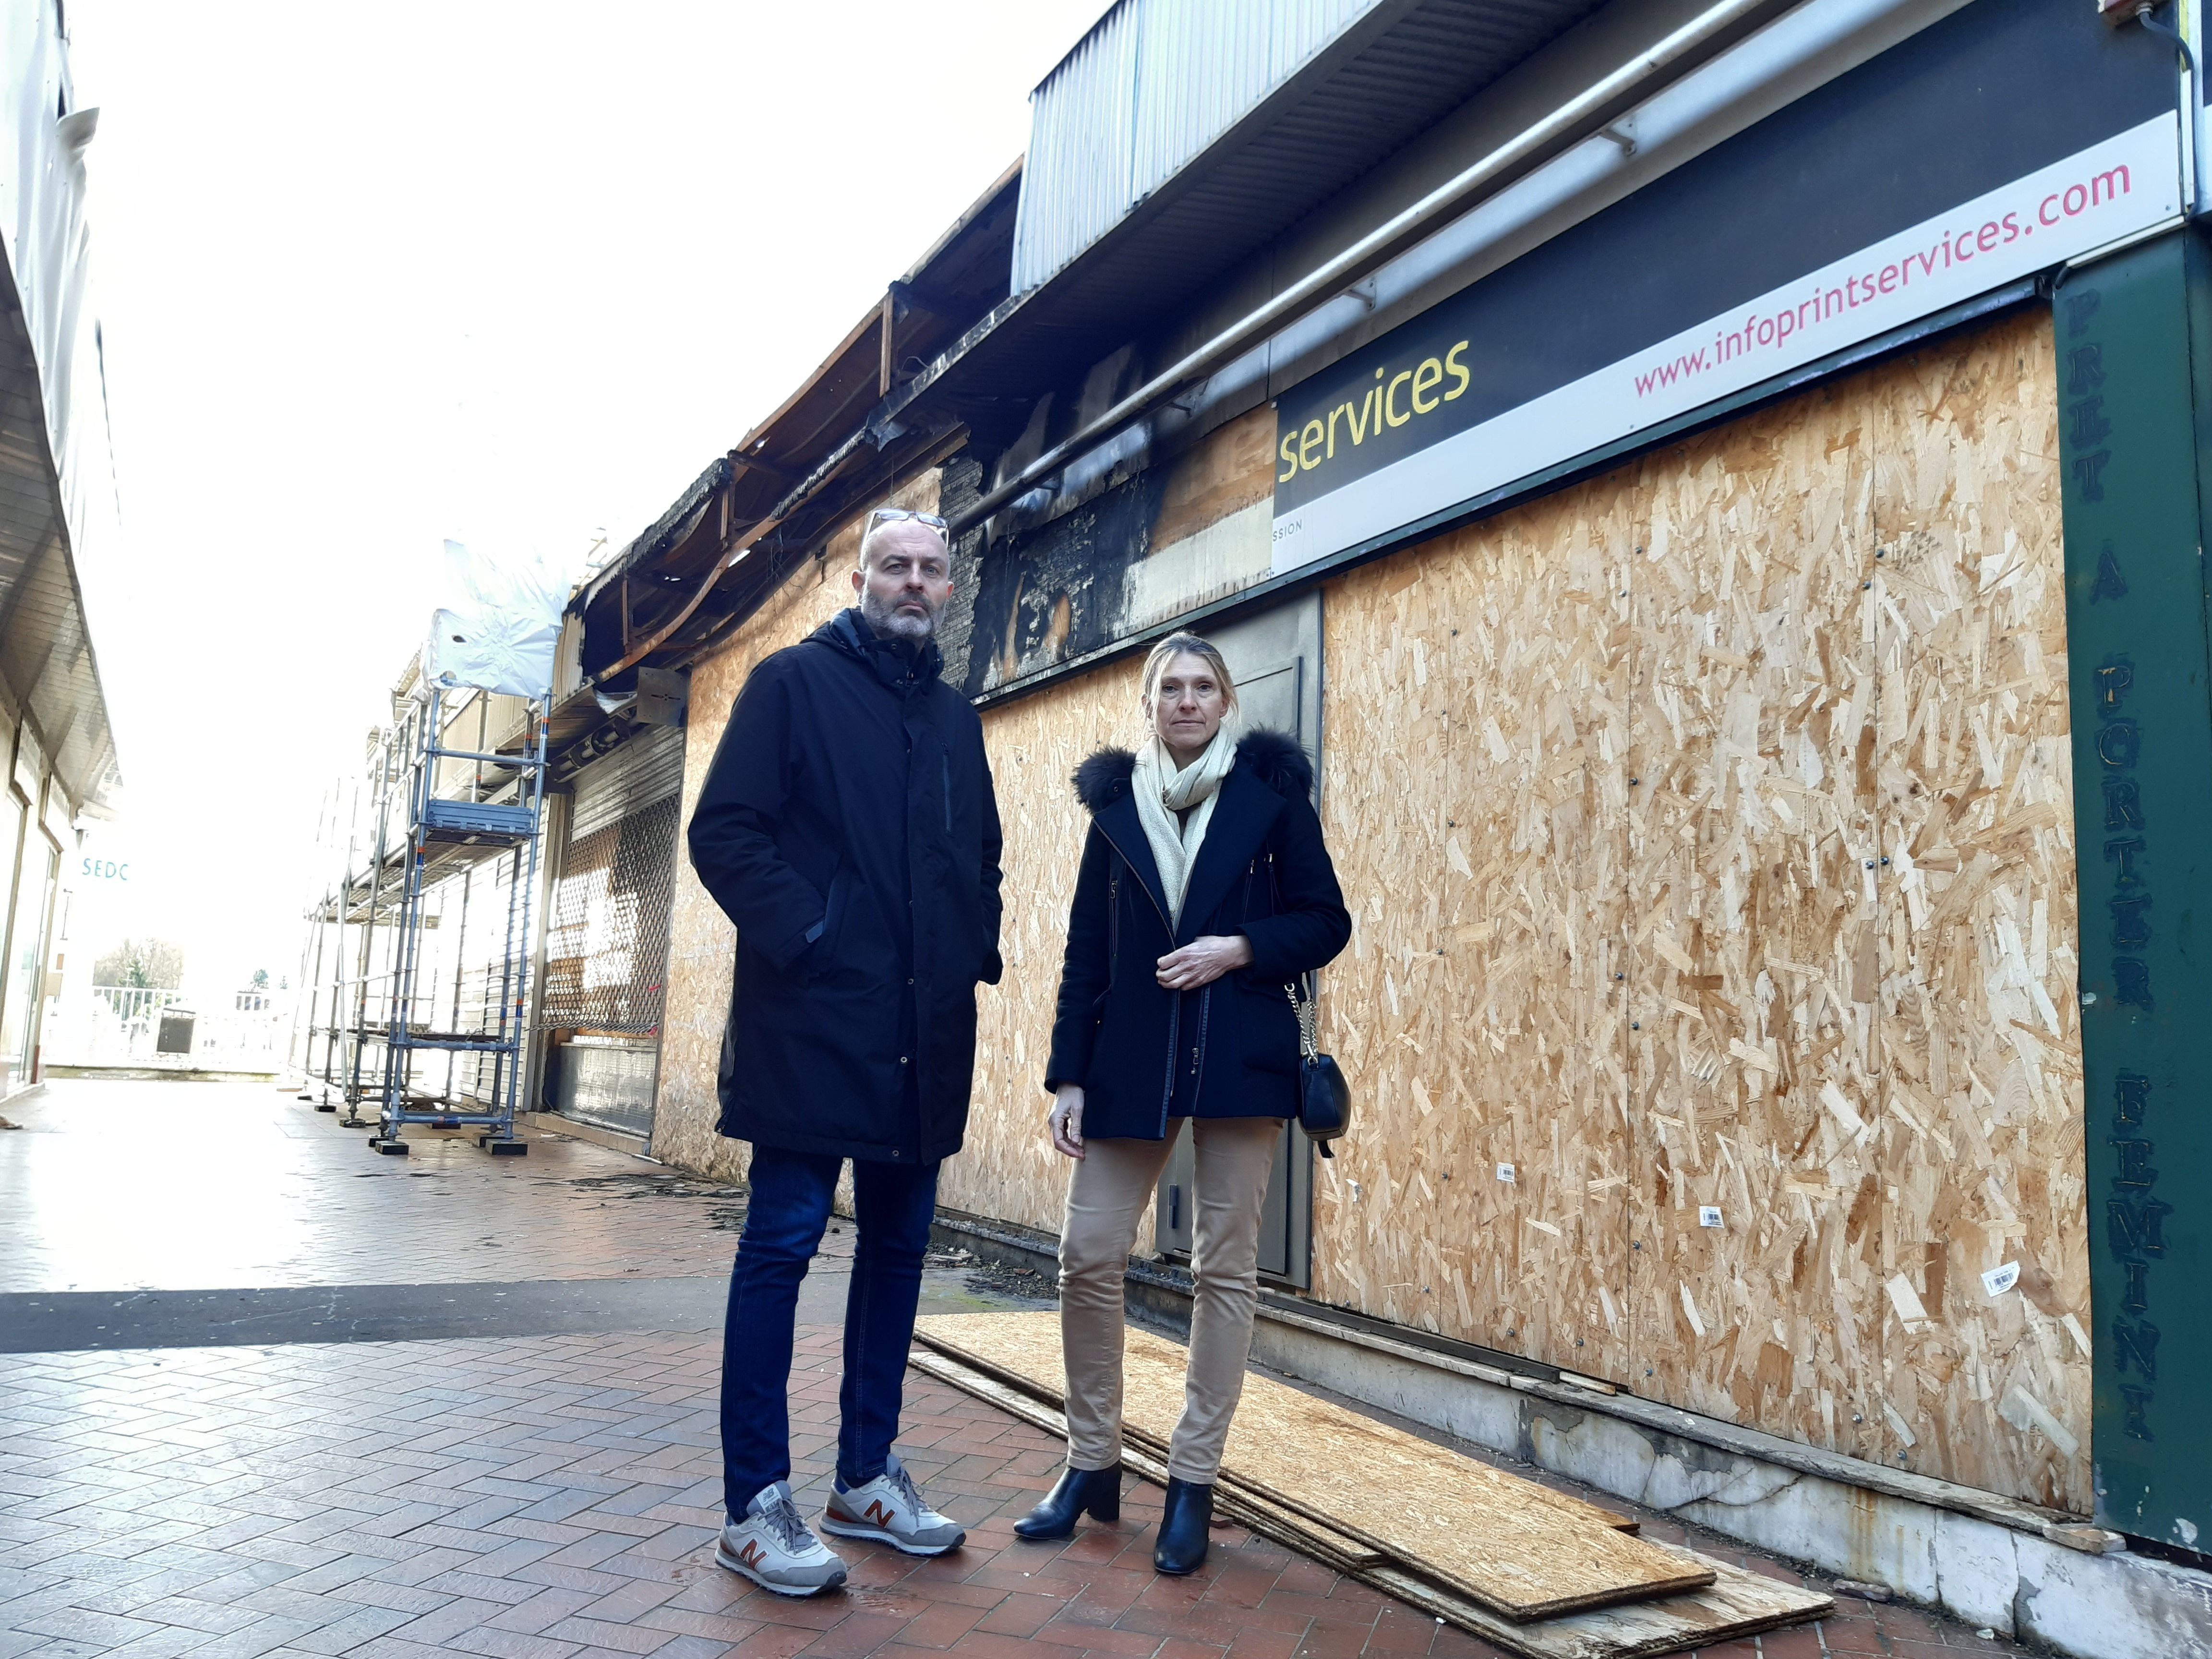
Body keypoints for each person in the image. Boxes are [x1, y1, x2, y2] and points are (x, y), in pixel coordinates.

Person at [687, 505, 1003, 1597]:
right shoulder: (789, 684)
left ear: (950, 588)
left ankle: (864, 1476)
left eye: (931, 569)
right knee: (780, 1247)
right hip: (813, 1029)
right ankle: (752, 1506)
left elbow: (982, 854)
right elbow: (722, 830)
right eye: (895, 567)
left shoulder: (957, 720)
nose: (914, 583)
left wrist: (976, 950)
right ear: (860, 579)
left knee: (900, 1250)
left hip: (923, 1033)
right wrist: (811, 936)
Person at [1020, 631, 1350, 1575]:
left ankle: (1193, 1482)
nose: (1188, 700)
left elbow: (1327, 919)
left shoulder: (1271, 798)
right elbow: (1087, 948)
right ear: (1150, 702)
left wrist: (1238, 948)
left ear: (1226, 701)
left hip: (1239, 1060)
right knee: (1086, 1255)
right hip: (1128, 1062)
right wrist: (1068, 1076)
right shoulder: (1116, 807)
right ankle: (1091, 1463)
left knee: (1224, 1271)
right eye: (1172, 686)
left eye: (1204, 686)